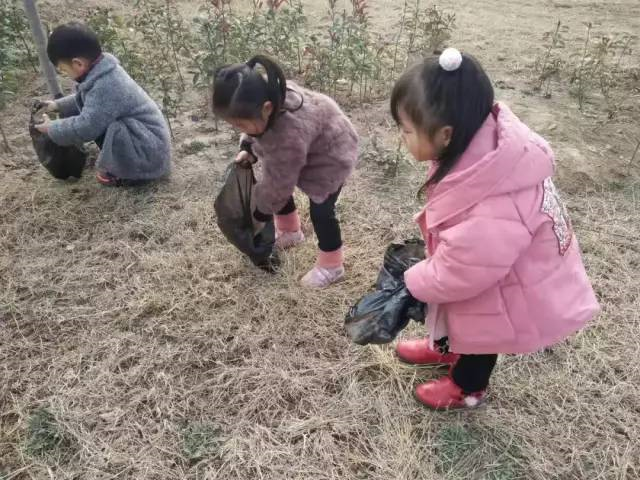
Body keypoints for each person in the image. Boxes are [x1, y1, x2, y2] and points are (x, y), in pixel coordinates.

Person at [391, 48, 600, 410]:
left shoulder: (494, 201)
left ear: (445, 134)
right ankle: (445, 346)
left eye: (406, 130)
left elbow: (462, 270)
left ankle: (467, 388)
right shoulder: (473, 143)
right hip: (496, 261)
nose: (401, 138)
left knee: (483, 324)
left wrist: (415, 281)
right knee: (461, 312)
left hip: (509, 279)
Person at [212, 55, 359, 288]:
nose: (238, 129)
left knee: (321, 211)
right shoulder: (266, 98)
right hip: (310, 146)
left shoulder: (287, 134)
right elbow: (266, 153)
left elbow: (279, 182)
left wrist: (261, 212)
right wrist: (248, 146)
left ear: (267, 108)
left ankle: (332, 266)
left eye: (240, 124)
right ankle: (291, 232)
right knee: (275, 184)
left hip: (333, 155)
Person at [35, 22, 171, 186]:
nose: (64, 74)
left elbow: (86, 127)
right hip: (149, 143)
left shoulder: (106, 84)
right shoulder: (102, 70)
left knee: (112, 128)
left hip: (150, 155)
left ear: (78, 63)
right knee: (105, 122)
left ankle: (133, 175)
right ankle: (130, 166)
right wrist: (56, 105)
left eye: (63, 70)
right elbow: (88, 100)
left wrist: (52, 128)